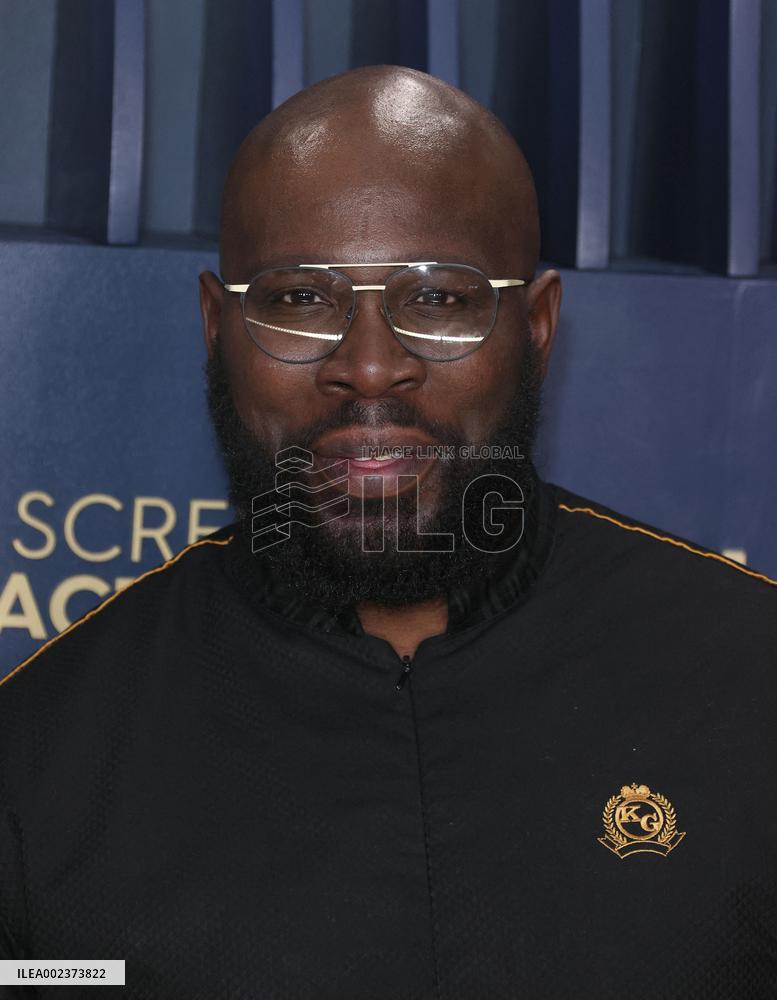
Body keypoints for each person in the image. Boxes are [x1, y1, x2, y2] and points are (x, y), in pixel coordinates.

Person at [1, 65, 776, 999]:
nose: (369, 368)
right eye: (298, 298)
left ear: (535, 326)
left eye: (439, 299)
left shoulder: (749, 677)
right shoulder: (46, 752)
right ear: (217, 326)